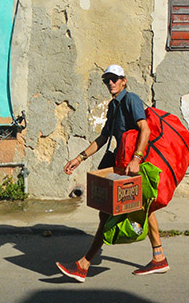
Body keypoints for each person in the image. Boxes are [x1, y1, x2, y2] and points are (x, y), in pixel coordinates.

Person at [56, 65, 170, 280]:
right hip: (122, 164)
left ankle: (83, 264)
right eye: (107, 79)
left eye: (115, 79)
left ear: (124, 81)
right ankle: (159, 258)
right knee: (146, 208)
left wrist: (136, 159)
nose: (111, 83)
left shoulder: (131, 100)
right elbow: (103, 138)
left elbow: (145, 129)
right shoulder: (113, 106)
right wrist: (79, 158)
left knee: (108, 212)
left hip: (134, 165)